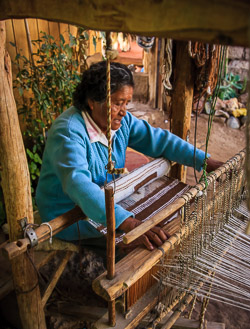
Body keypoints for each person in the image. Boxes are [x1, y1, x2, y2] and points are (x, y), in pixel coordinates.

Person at [36, 61, 222, 255]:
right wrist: (129, 223)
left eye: (127, 103)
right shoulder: (68, 133)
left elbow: (160, 140)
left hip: (107, 200)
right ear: (92, 101)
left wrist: (204, 161)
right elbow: (80, 186)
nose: (124, 112)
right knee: (140, 247)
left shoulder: (121, 122)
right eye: (117, 103)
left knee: (164, 225)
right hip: (69, 216)